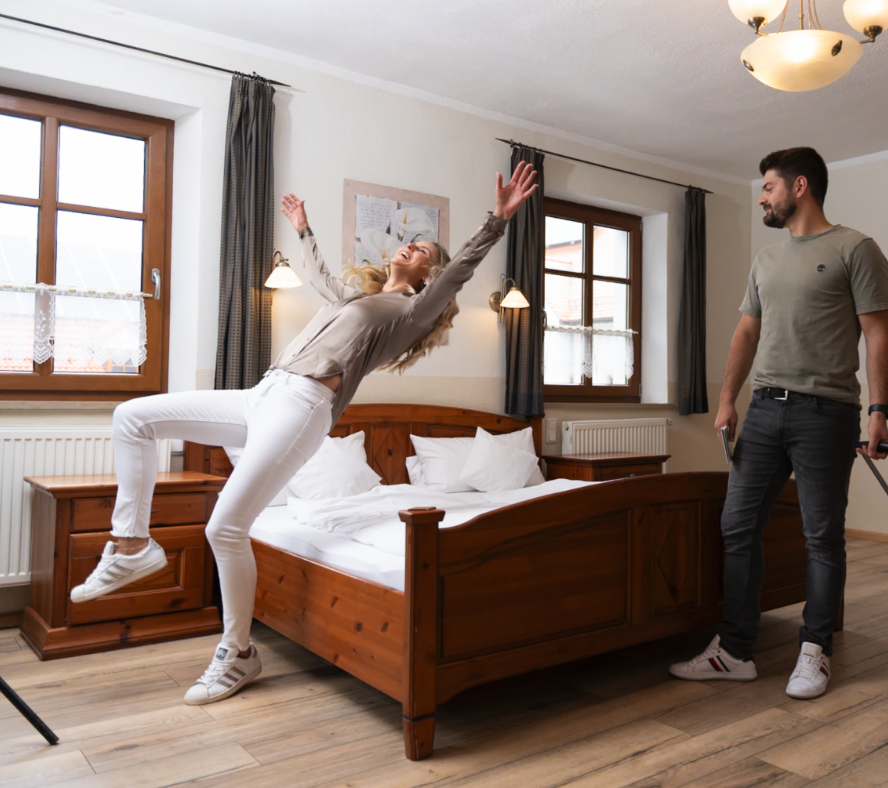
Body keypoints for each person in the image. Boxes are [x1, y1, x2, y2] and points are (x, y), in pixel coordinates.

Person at [69, 162, 538, 705]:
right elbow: (320, 278)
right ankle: (131, 544)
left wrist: (497, 221)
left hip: (304, 404)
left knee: (224, 528)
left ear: (430, 277)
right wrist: (304, 228)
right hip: (263, 393)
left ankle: (238, 653)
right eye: (411, 244)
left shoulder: (410, 313)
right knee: (133, 416)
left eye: (425, 253)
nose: (412, 249)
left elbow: (459, 274)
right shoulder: (354, 300)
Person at [668, 147, 888, 700]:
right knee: (737, 526)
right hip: (766, 408)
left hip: (828, 412)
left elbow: (877, 335)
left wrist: (879, 413)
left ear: (800, 187)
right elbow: (745, 335)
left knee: (822, 536)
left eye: (768, 186)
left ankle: (814, 652)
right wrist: (727, 401)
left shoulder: (855, 249)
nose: (763, 197)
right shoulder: (765, 260)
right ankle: (736, 651)